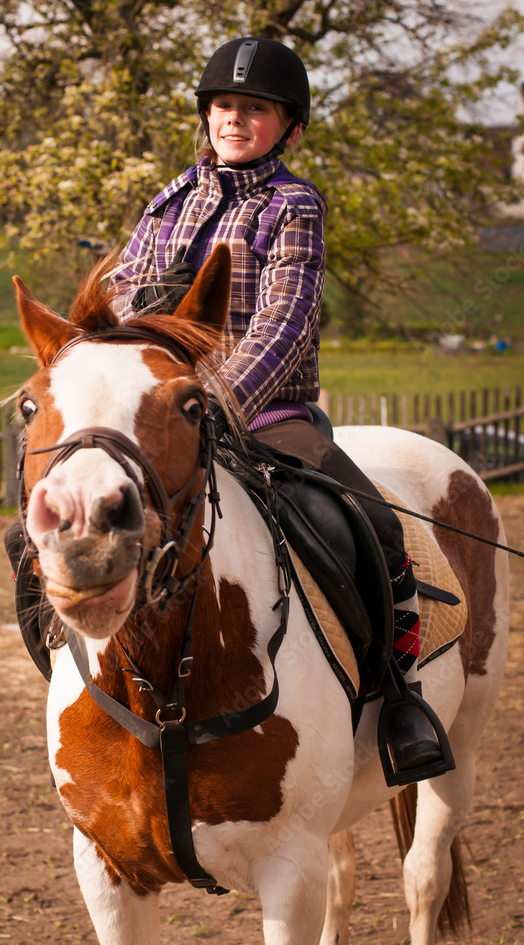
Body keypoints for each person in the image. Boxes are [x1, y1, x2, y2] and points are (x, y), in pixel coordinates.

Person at [107, 35, 453, 786]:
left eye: (255, 109)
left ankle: (399, 696)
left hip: (266, 415)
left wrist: (219, 402)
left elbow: (284, 322)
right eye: (225, 106)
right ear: (207, 114)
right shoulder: (169, 198)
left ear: (288, 127)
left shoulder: (293, 205)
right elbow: (118, 292)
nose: (235, 119)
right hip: (163, 415)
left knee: (374, 523)